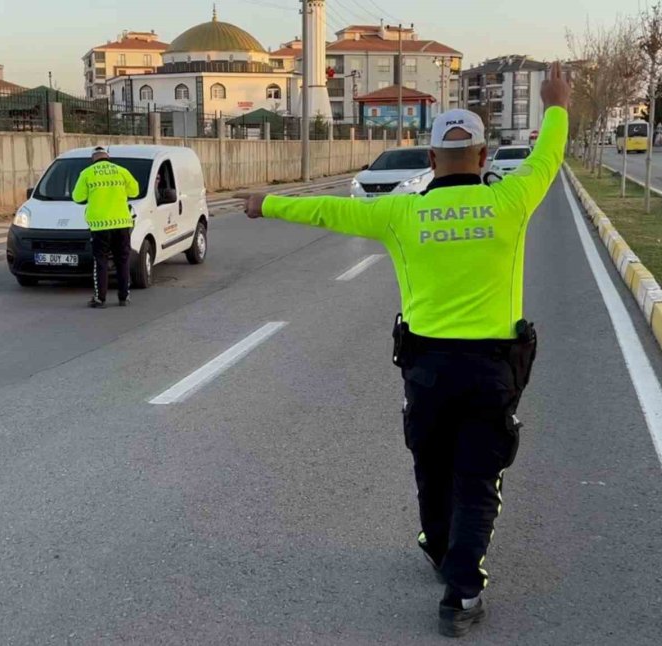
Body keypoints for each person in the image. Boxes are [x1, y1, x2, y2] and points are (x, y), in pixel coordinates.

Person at [237, 63, 570, 637]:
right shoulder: (512, 201)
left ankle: (441, 547)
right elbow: (548, 157)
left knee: (431, 463)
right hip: (492, 370)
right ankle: (461, 593)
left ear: (433, 160)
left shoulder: (402, 213)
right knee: (477, 476)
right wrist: (555, 103)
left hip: (428, 371)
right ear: (485, 157)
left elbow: (329, 211)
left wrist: (266, 202)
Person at [71, 147, 139, 308]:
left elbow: (77, 197)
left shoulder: (87, 173)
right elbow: (134, 191)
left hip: (100, 225)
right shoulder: (121, 171)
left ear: (93, 159)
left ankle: (100, 298)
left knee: (100, 261)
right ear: (108, 158)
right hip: (122, 223)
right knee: (122, 260)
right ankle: (124, 297)